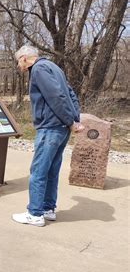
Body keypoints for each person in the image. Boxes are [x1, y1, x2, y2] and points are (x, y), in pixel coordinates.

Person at [12, 45, 84, 227]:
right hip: (61, 128)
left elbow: (56, 97)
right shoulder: (54, 67)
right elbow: (71, 94)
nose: (18, 66)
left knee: (38, 172)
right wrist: (74, 119)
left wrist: (71, 121)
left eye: (17, 62)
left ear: (24, 58)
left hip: (51, 128)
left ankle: (34, 214)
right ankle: (48, 209)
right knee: (51, 171)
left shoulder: (38, 69)